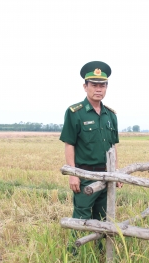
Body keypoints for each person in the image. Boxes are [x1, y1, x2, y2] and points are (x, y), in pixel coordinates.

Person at [60, 61, 122, 232]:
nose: (98, 89)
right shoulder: (75, 113)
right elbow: (69, 144)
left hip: (106, 174)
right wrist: (73, 174)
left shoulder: (110, 115)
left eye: (102, 85)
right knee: (81, 218)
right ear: (85, 86)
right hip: (85, 174)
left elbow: (113, 146)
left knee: (103, 218)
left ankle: (101, 253)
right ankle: (75, 254)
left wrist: (115, 172)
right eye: (94, 85)